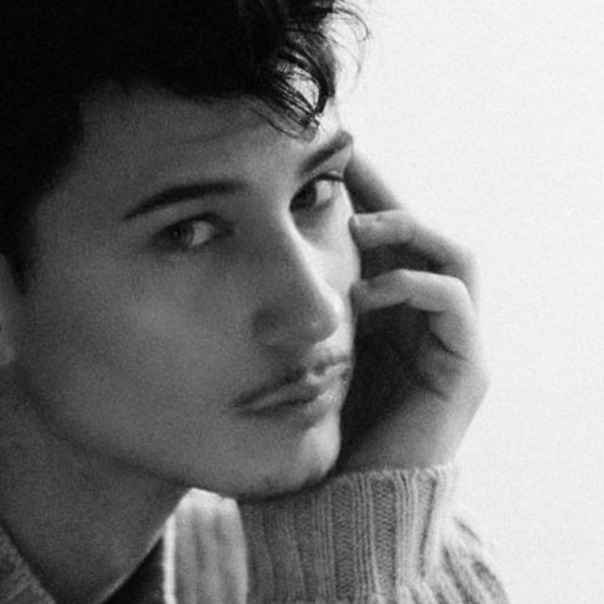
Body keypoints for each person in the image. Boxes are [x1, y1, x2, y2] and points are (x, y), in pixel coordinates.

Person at [0, 0, 510, 602]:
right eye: (187, 233)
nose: (317, 313)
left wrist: (368, 526)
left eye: (313, 193)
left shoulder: (265, 560)